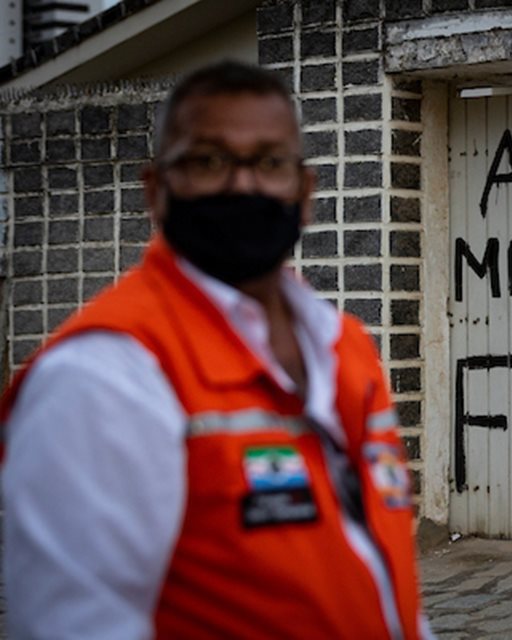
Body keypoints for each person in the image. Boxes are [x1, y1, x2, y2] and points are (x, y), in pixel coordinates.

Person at [1, 60, 433, 639]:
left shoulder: (342, 345)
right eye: (209, 161)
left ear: (304, 192)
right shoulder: (102, 375)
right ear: (156, 191)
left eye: (270, 162)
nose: (243, 184)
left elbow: (382, 578)